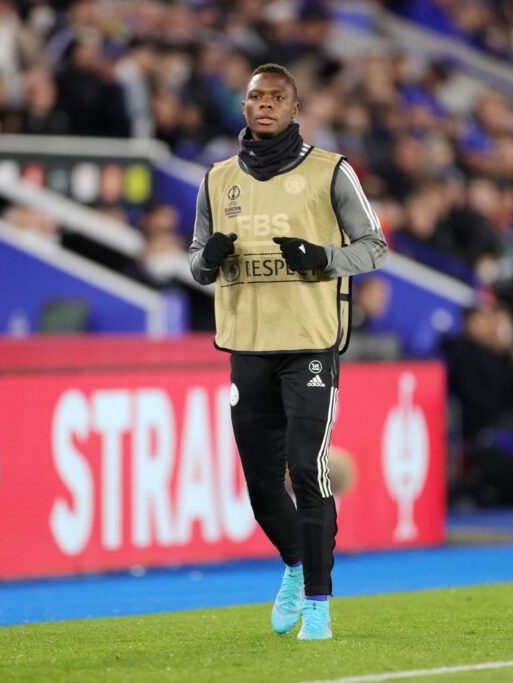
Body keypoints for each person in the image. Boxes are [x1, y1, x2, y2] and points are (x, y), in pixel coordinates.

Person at [188, 64, 387, 640]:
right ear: (244, 107)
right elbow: (195, 262)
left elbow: (374, 247)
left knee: (306, 468)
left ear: (296, 110)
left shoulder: (332, 172)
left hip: (309, 347)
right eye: (256, 97)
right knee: (258, 483)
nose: (265, 105)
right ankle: (297, 568)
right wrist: (211, 257)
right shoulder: (217, 179)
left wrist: (323, 258)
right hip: (248, 346)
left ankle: (319, 605)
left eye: (277, 98)